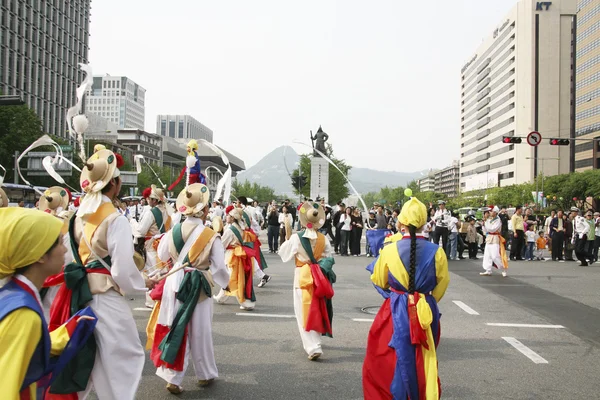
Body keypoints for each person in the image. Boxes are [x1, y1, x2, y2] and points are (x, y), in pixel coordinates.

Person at [55, 148, 156, 399]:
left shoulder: (77, 216)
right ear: (115, 183)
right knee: (126, 355)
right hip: (105, 295)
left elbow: (68, 258)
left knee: (88, 353)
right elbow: (122, 268)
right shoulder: (114, 218)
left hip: (80, 293)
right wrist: (144, 282)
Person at [0, 208, 98, 399]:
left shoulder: (14, 294)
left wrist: (67, 332)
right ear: (40, 256)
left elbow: (28, 346)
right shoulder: (23, 313)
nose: (64, 249)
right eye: (60, 244)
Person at [363, 193, 449, 399]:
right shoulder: (437, 251)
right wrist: (426, 301)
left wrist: (395, 293)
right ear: (425, 223)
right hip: (425, 310)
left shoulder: (390, 249)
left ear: (401, 222)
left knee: (388, 358)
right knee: (423, 356)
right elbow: (442, 283)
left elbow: (378, 279)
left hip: (395, 309)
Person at [150, 183, 230, 394]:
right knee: (200, 331)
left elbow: (162, 256)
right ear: (204, 210)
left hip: (174, 283)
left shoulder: (173, 230)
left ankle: (172, 376)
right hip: (198, 286)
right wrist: (225, 282)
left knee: (175, 325)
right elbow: (219, 266)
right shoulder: (211, 235)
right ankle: (204, 374)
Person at [278, 202, 335, 360]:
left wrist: (288, 240)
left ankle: (313, 346)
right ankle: (316, 342)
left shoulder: (297, 238)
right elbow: (329, 258)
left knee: (303, 311)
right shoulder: (323, 239)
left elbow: (284, 255)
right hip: (319, 276)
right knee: (316, 307)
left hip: (302, 276)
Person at [480, 206, 509, 276]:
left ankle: (503, 268)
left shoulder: (498, 220)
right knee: (487, 255)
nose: (489, 213)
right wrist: (483, 224)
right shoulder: (489, 219)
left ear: (495, 212)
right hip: (489, 238)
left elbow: (492, 229)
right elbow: (486, 230)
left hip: (495, 237)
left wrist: (486, 221)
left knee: (495, 255)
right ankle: (488, 270)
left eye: (491, 211)